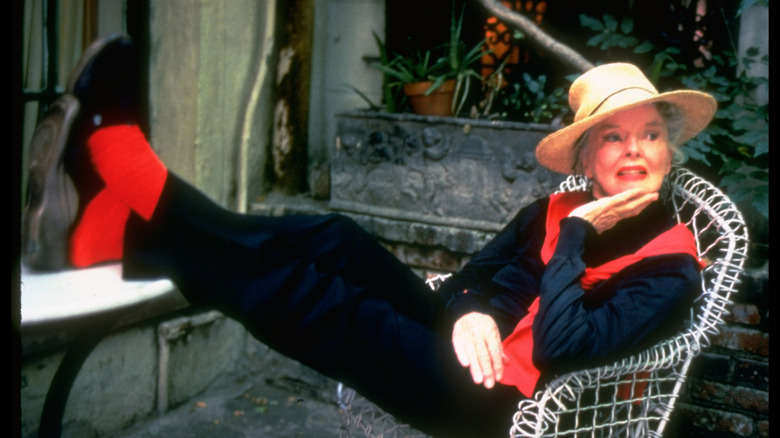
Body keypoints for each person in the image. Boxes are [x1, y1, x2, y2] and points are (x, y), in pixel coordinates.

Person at [21, 34, 716, 438]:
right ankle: (127, 230)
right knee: (336, 238)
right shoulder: (552, 207)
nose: (634, 151)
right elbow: (475, 274)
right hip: (467, 341)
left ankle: (131, 203)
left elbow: (567, 346)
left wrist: (576, 238)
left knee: (334, 307)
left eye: (650, 135)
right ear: (588, 156)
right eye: (613, 137)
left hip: (501, 407)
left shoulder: (672, 267)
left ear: (669, 150)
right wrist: (473, 310)